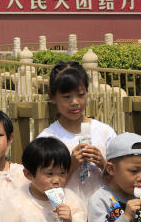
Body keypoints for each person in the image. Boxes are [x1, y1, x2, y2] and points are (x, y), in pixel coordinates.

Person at [38, 61, 116, 203]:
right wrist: (71, 165)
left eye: (80, 95)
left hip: (105, 216)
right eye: (67, 97)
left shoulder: (105, 132)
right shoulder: (48, 139)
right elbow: (42, 190)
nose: (75, 102)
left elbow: (122, 181)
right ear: (52, 97)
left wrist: (103, 164)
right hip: (68, 216)